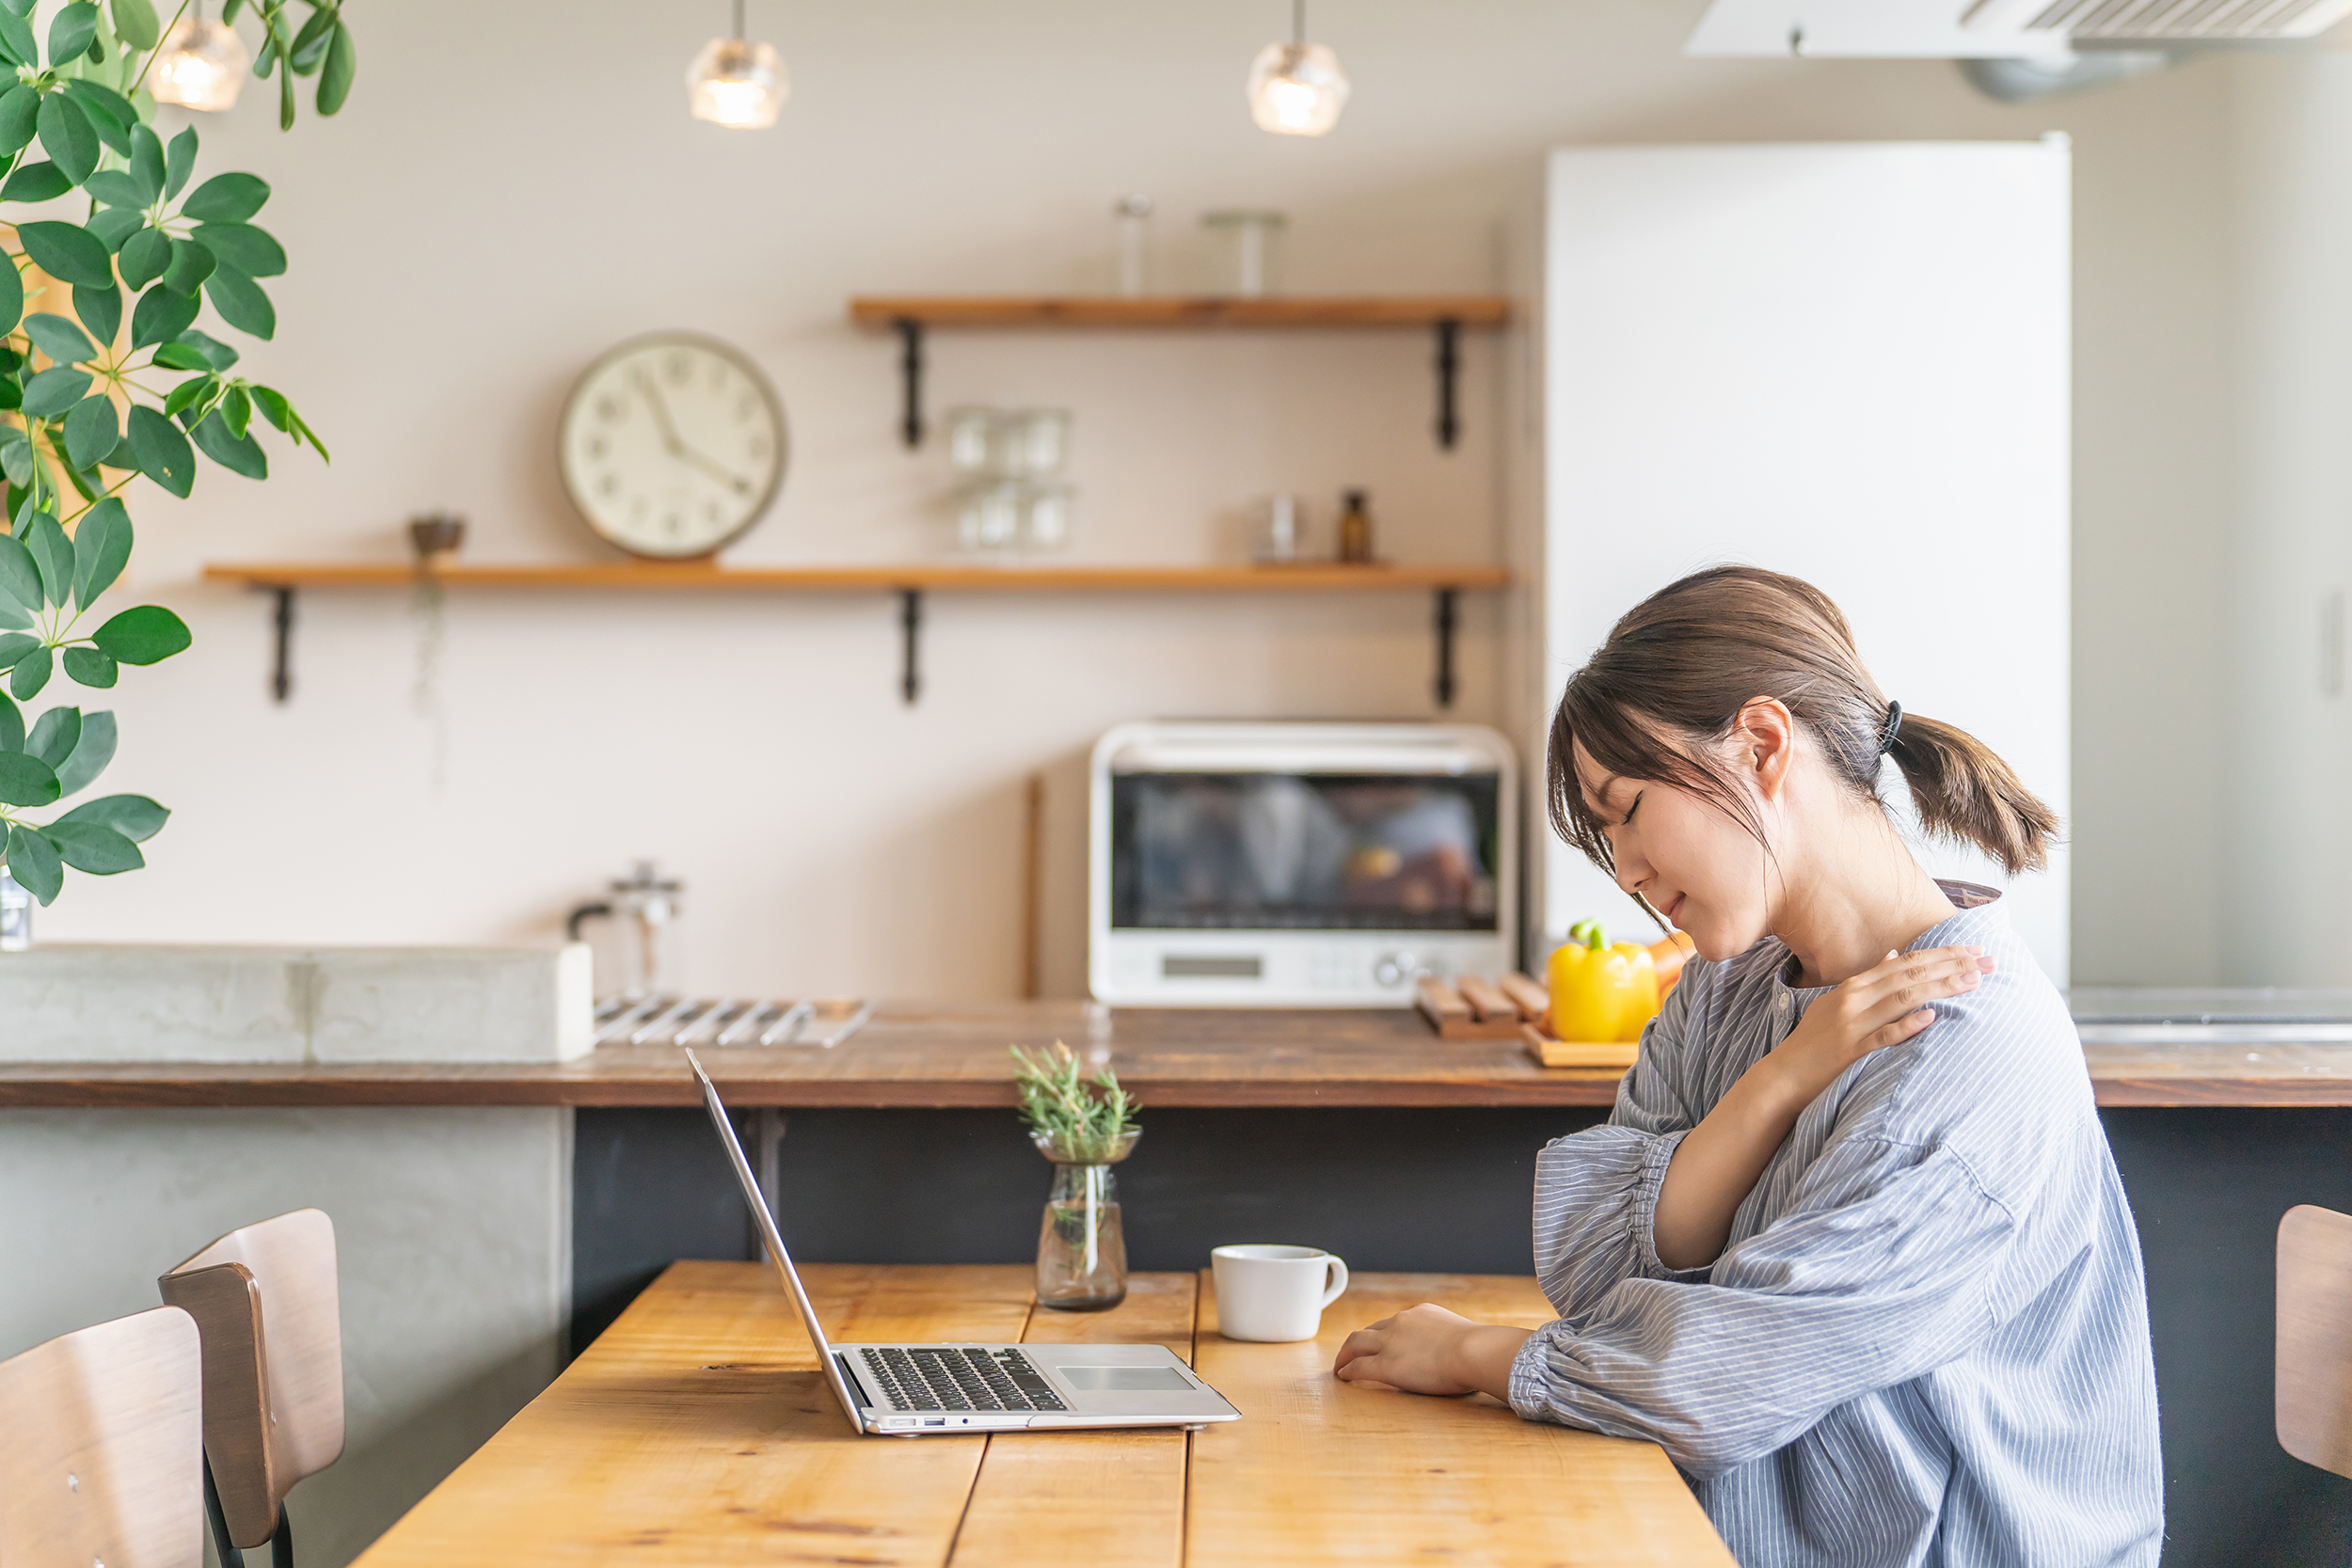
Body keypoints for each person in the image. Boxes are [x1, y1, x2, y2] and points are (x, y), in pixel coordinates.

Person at [1331, 565, 2162, 1566]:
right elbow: (1599, 1272)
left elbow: (1714, 1376)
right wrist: (1779, 1080)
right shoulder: (1726, 989)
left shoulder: (1965, 1049)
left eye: (1625, 808)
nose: (1624, 870)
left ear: (1762, 744)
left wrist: (1473, 1352)